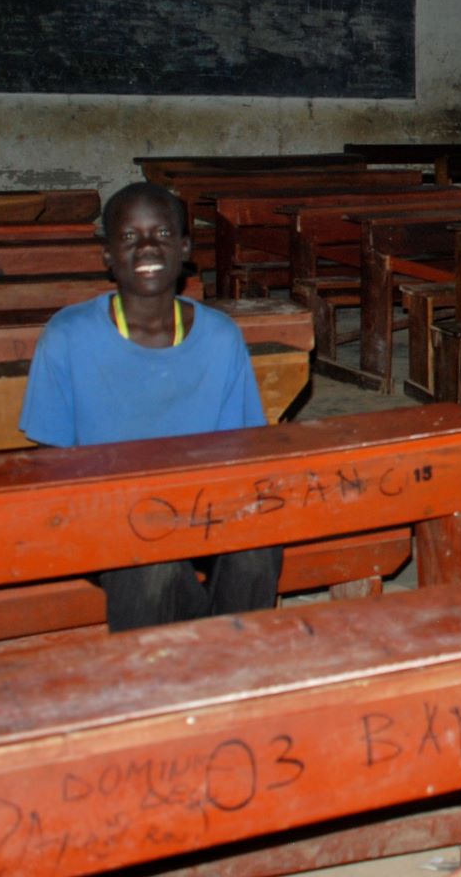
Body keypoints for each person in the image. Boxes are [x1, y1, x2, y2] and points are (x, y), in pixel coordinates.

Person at [18, 181, 280, 630]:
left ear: (183, 248)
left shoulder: (219, 336)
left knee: (258, 548)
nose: (146, 248)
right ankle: (163, 682)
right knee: (152, 565)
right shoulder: (68, 334)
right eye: (128, 237)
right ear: (106, 256)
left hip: (201, 505)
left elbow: (241, 448)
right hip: (108, 512)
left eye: (161, 234)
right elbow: (51, 461)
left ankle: (235, 670)